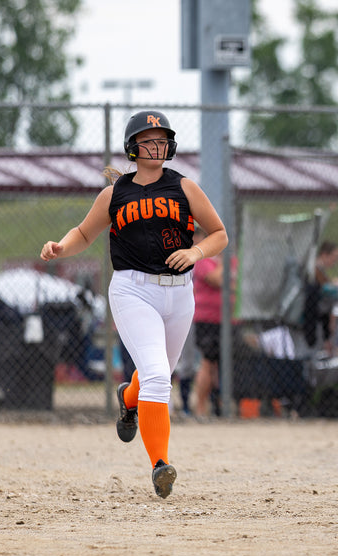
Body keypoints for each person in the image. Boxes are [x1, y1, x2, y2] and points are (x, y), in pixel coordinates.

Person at [39, 110, 227, 498]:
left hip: (179, 293)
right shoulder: (115, 193)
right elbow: (84, 233)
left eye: (162, 139)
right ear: (132, 148)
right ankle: (161, 464)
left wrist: (196, 252)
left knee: (157, 374)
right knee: (158, 376)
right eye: (148, 139)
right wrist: (61, 247)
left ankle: (129, 399)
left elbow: (219, 234)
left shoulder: (185, 187)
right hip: (133, 290)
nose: (156, 146)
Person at [191, 242, 237, 418]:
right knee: (208, 362)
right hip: (207, 319)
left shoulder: (231, 261)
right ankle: (200, 407)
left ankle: (219, 406)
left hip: (228, 320)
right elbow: (217, 279)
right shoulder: (203, 259)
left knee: (221, 365)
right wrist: (225, 265)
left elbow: (235, 285)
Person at [303, 241, 338, 355]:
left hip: (318, 321)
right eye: (334, 257)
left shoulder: (320, 272)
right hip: (314, 321)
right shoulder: (315, 270)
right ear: (324, 255)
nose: (335, 261)